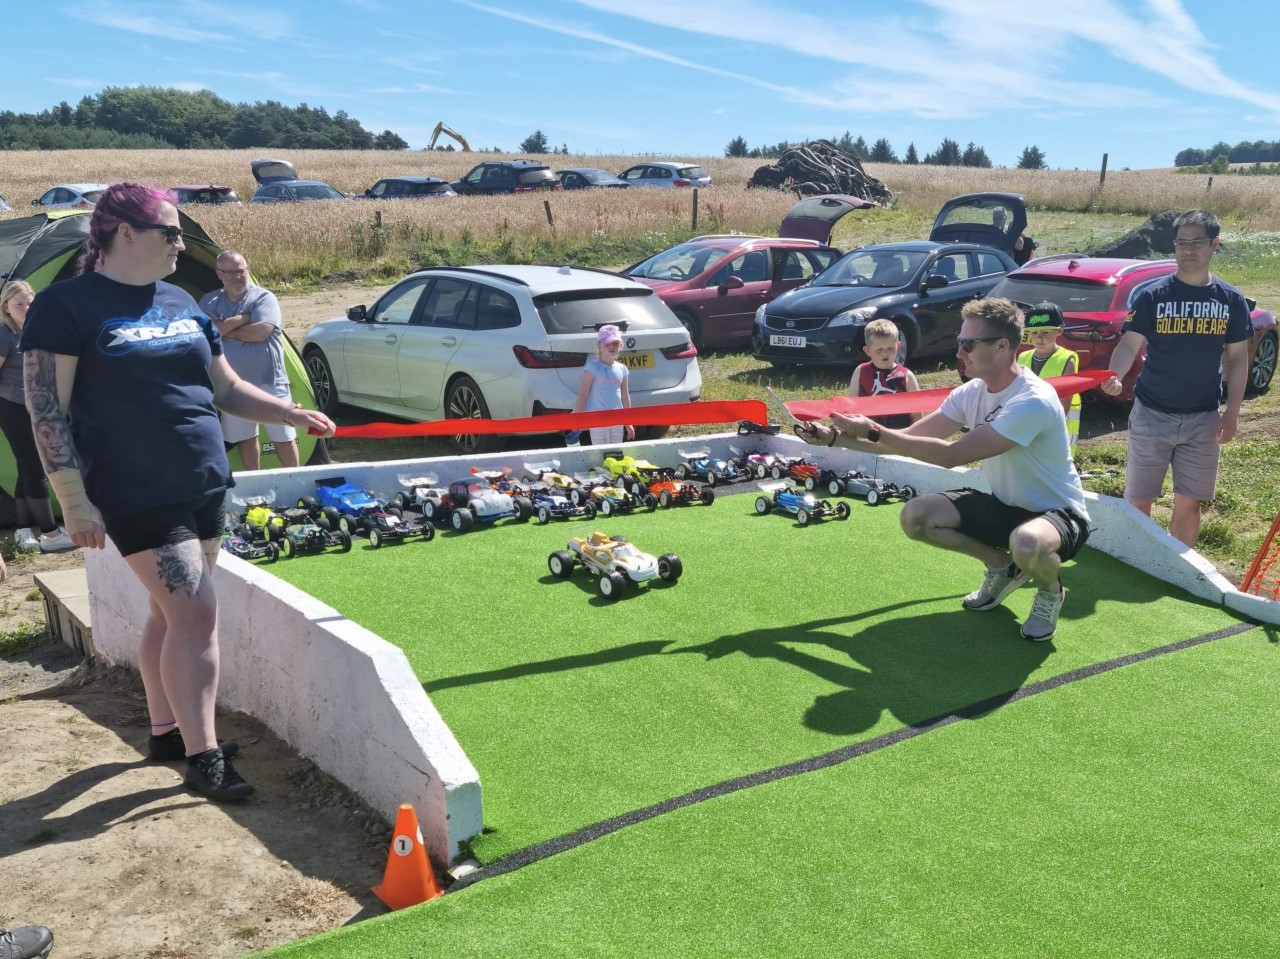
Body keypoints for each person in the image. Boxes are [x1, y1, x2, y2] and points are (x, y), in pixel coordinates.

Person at [20, 183, 336, 802]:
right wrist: (74, 501)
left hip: (203, 478)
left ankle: (167, 732)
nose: (181, 245)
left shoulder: (179, 299)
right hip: (133, 487)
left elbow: (224, 388)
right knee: (196, 616)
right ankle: (203, 755)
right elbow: (46, 411)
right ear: (125, 234)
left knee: (170, 614)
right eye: (171, 233)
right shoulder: (64, 305)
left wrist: (289, 412)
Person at [797, 297, 1091, 642]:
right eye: (959, 342)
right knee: (916, 517)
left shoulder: (1032, 400)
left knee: (1027, 543)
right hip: (1007, 507)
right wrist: (834, 438)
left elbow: (953, 455)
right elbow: (906, 440)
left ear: (1001, 346)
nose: (960, 352)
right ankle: (1002, 566)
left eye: (969, 344)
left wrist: (874, 430)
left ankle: (1051, 591)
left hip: (1059, 515)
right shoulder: (971, 392)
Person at [1101, 209, 1251, 549]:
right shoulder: (1153, 295)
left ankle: (1176, 570)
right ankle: (1138, 564)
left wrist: (1232, 412)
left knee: (1189, 502)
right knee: (1138, 500)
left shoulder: (1230, 299)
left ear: (1215, 244)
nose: (1188, 250)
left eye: (1197, 242)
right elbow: (1129, 344)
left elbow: (1238, 358)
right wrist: (1115, 375)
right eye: (1181, 243)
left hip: (1203, 418)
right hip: (1152, 414)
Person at [199, 251, 297, 470]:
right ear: (219, 274)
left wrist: (223, 327)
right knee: (246, 438)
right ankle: (256, 482)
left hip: (269, 379)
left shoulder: (264, 298)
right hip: (233, 386)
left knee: (284, 437)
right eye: (231, 272)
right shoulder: (209, 301)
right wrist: (242, 319)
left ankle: (295, 480)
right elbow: (204, 334)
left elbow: (260, 333)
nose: (237, 277)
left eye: (241, 271)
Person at [0, 281, 74, 552]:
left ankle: (22, 531)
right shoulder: (4, 334)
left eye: (29, 302)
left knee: (25, 467)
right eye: (19, 304)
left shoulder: (35, 328)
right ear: (6, 307)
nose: (26, 307)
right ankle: (51, 534)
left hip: (36, 407)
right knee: (35, 467)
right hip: (12, 406)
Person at [1017, 301, 1080, 453]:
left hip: (1058, 431)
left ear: (1059, 331)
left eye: (1045, 332)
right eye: (1034, 333)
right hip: (1029, 429)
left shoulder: (1067, 359)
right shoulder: (1022, 357)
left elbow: (1064, 407)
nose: (1039, 338)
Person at [570, 324, 634, 446]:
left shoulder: (623, 369)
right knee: (601, 452)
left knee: (616, 453)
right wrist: (577, 418)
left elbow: (625, 396)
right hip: (597, 420)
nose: (611, 346)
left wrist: (628, 422)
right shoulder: (593, 368)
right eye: (607, 343)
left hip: (617, 419)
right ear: (600, 346)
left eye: (615, 343)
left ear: (620, 345)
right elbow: (583, 394)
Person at [850, 318, 920, 429]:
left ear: (898, 346)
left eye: (890, 348)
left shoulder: (907, 376)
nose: (885, 353)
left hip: (900, 434)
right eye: (879, 349)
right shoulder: (860, 372)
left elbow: (917, 415)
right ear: (867, 351)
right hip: (867, 434)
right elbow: (852, 408)